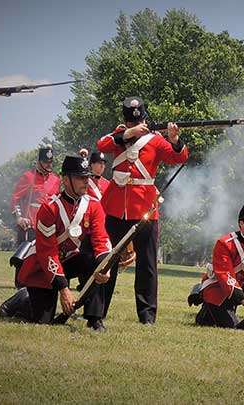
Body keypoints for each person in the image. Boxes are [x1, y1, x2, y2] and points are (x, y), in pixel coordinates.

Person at [97, 97, 188, 324]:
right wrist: (128, 133)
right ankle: (97, 310)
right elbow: (102, 145)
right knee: (107, 260)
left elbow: (179, 157)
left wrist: (175, 139)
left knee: (146, 265)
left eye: (136, 122)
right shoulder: (119, 135)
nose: (133, 125)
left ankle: (147, 315)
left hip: (145, 208)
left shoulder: (155, 140)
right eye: (129, 122)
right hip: (115, 208)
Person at [5, 155, 113, 331]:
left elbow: (101, 240)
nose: (86, 182)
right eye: (80, 177)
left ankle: (95, 319)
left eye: (87, 177)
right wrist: (64, 289)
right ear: (66, 179)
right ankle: (20, 300)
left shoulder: (94, 206)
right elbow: (47, 252)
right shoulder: (49, 207)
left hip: (68, 260)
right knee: (43, 321)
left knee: (94, 263)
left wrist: (105, 266)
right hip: (42, 266)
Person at [10, 145, 60, 244]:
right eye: (45, 162)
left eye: (50, 162)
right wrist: (19, 218)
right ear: (39, 162)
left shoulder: (56, 180)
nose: (49, 165)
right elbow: (15, 198)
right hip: (30, 225)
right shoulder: (29, 177)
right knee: (26, 257)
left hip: (49, 226)